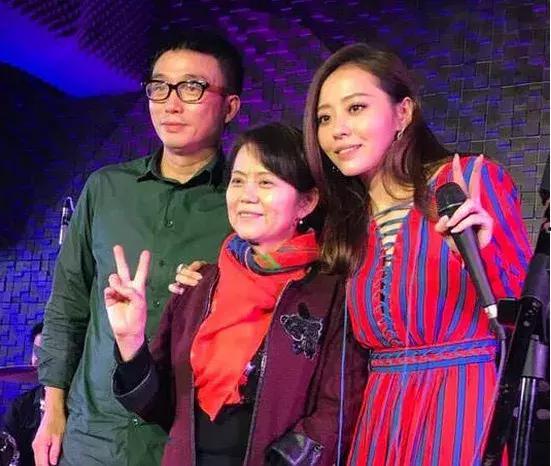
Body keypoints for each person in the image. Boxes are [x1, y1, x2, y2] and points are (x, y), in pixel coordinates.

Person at [301, 43, 533, 465]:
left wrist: (484, 257)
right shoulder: (346, 223)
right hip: (379, 414)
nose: (337, 129)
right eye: (324, 118)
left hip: (462, 403)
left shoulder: (467, 182)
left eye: (356, 108)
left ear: (403, 113)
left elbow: (530, 320)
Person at [33, 30, 243, 466]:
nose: (170, 103)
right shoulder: (106, 187)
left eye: (192, 87)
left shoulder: (244, 204)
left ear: (230, 107)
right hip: (92, 437)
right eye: (159, 87)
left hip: (182, 441)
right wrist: (52, 409)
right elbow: (68, 304)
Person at [104, 123, 367, 466]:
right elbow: (160, 407)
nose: (246, 195)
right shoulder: (197, 286)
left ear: (306, 202)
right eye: (238, 181)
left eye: (266, 182)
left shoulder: (330, 294)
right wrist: (130, 342)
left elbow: (338, 409)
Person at [3, 323, 44, 466]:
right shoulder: (20, 407)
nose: (40, 359)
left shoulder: (84, 405)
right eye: (37, 352)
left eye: (49, 353)